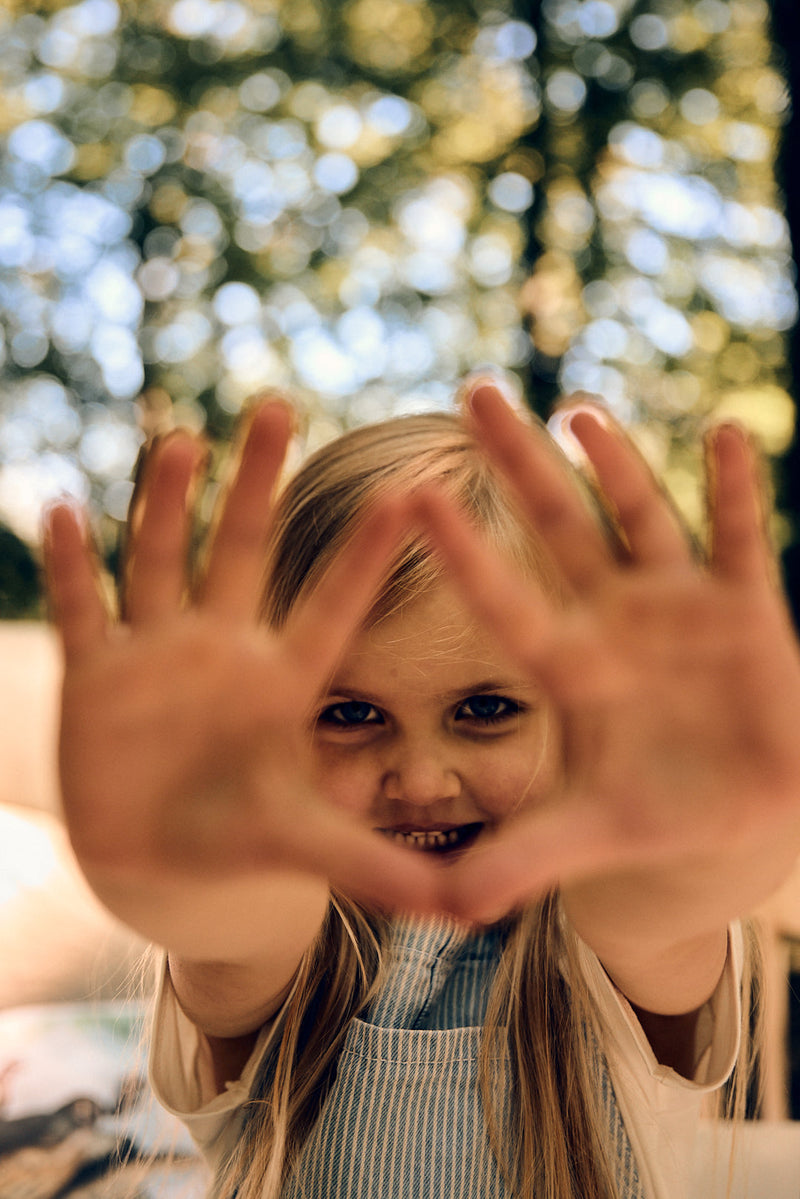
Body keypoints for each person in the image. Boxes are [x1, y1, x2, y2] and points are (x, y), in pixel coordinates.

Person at [42, 379, 800, 1199]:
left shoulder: (612, 936)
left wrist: (712, 832)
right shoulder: (279, 947)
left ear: (585, 719)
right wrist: (183, 863)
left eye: (485, 708)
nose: (422, 778)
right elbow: (234, 916)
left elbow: (665, 897)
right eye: (350, 712)